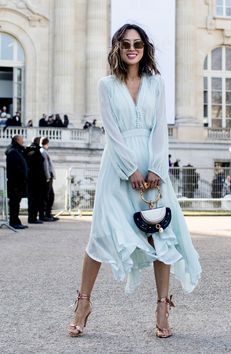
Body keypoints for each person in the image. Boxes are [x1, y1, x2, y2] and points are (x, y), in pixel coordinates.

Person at [68, 24, 201, 339]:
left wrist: (156, 167)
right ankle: (83, 303)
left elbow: (159, 129)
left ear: (144, 48)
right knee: (101, 233)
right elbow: (111, 131)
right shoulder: (106, 85)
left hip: (152, 165)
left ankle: (162, 306)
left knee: (161, 234)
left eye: (137, 44)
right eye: (126, 43)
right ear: (117, 47)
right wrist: (130, 170)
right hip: (117, 165)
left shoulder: (157, 83)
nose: (132, 48)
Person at [5, 135, 28, 229]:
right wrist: (22, 175)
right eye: (22, 139)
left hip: (18, 181)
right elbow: (15, 168)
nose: (23, 141)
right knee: (14, 203)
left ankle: (16, 221)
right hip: (15, 182)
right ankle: (13, 222)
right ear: (17, 140)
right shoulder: (13, 151)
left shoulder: (17, 150)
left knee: (16, 202)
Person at [25, 137, 45, 224]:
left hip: (35, 178)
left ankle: (33, 217)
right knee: (34, 199)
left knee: (34, 199)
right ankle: (32, 218)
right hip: (34, 178)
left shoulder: (34, 149)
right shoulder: (34, 149)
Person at [39, 137, 58, 221]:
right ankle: (46, 214)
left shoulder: (44, 151)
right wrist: (48, 176)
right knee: (47, 196)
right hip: (48, 177)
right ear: (46, 143)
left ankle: (48, 213)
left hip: (49, 176)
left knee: (50, 196)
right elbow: (46, 165)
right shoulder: (43, 152)